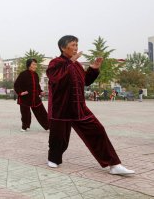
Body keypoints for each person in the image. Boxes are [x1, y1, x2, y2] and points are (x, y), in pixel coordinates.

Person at [46, 35, 134, 175]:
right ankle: (54, 159)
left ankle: (114, 164)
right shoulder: (55, 63)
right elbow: (54, 77)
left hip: (80, 108)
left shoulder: (77, 65)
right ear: (63, 47)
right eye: (72, 45)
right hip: (61, 108)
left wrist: (93, 69)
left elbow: (85, 81)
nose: (76, 48)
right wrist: (69, 62)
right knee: (59, 138)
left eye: (76, 45)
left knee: (98, 131)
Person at [14, 58, 49, 131]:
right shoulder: (23, 74)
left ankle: (48, 126)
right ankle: (25, 126)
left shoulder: (36, 75)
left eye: (36, 64)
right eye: (33, 64)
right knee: (25, 113)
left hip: (35, 97)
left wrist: (40, 91)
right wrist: (21, 92)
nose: (35, 66)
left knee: (42, 112)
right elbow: (16, 84)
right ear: (29, 65)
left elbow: (37, 86)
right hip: (25, 98)